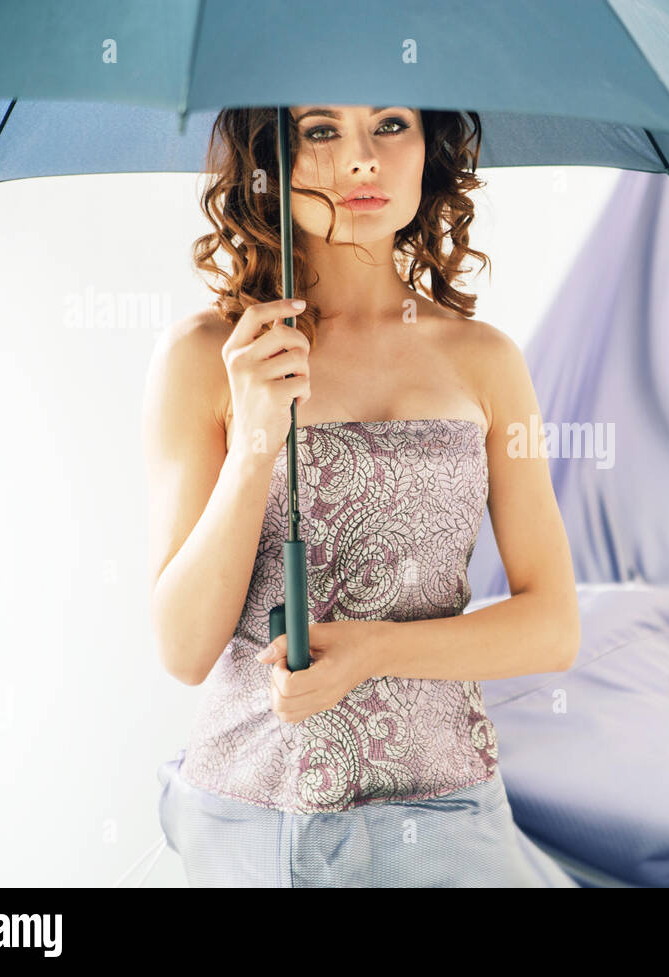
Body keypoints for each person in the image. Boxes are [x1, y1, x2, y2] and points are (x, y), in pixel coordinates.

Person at [141, 104, 580, 886]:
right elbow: (183, 648)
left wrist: (373, 651)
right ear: (269, 156)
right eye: (319, 130)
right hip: (249, 821)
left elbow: (551, 625)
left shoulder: (487, 362)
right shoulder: (208, 356)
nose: (360, 161)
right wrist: (252, 445)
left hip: (447, 819)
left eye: (389, 125)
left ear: (428, 146)